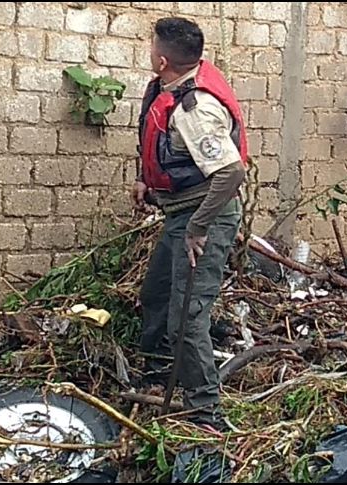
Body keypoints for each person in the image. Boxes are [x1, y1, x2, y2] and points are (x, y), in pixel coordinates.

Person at [132, 17, 249, 427]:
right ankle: (160, 372)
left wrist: (198, 228)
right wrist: (144, 180)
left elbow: (231, 173)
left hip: (206, 218)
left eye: (151, 47)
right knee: (157, 295)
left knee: (187, 316)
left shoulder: (195, 111)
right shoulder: (169, 88)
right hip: (181, 213)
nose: (150, 53)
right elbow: (162, 144)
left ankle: (205, 410)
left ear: (163, 60)